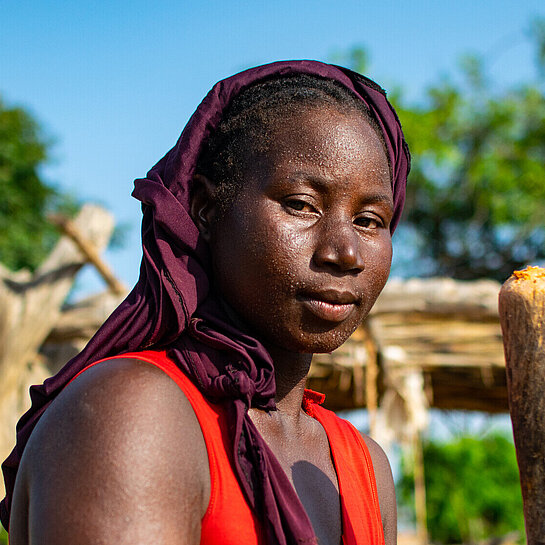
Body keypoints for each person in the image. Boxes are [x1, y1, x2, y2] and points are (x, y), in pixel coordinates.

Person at [1, 60, 410, 545]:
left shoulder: (364, 465)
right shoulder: (135, 415)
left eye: (369, 219)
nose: (344, 252)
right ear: (205, 208)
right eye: (301, 204)